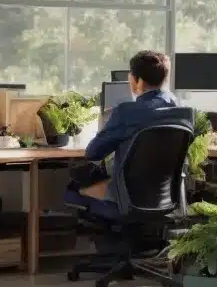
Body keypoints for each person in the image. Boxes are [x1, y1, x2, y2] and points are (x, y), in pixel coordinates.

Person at [70, 50, 193, 210]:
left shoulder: (126, 112)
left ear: (138, 81)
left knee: (72, 190)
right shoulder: (184, 112)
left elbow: (93, 152)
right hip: (166, 199)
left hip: (126, 200)